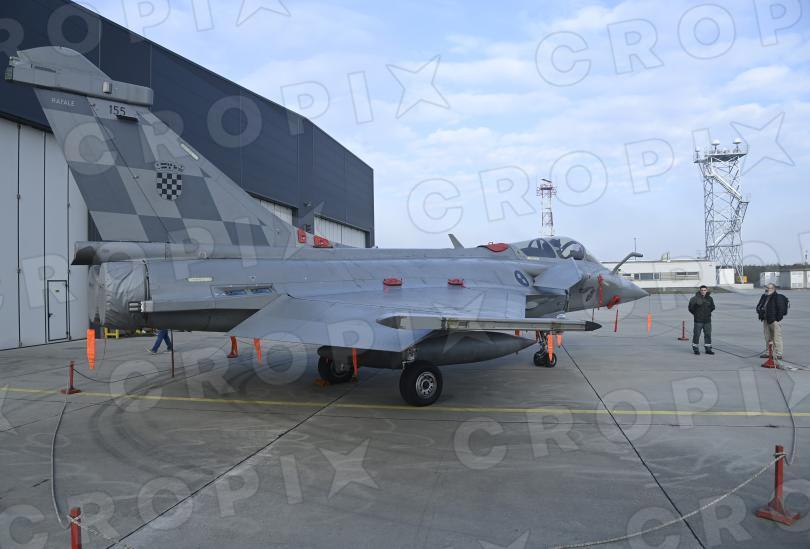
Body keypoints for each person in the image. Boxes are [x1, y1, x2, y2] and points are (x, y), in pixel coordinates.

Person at [756, 283, 789, 360]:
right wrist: (759, 311)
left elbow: (781, 309)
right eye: (767, 287)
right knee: (767, 337)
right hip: (765, 320)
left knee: (776, 337)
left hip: (774, 321)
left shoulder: (777, 297)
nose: (767, 289)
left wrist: (777, 319)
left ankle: (778, 353)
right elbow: (759, 306)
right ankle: (768, 352)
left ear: (774, 289)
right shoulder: (764, 296)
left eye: (769, 288)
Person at [688, 285, 715, 355]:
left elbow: (713, 307)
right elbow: (690, 308)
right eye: (702, 290)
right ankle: (695, 349)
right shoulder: (694, 299)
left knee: (708, 335)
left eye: (704, 290)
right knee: (696, 335)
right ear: (699, 291)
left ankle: (708, 349)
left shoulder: (710, 298)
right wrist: (696, 314)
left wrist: (708, 313)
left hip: (707, 321)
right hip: (698, 321)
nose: (703, 291)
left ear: (707, 290)